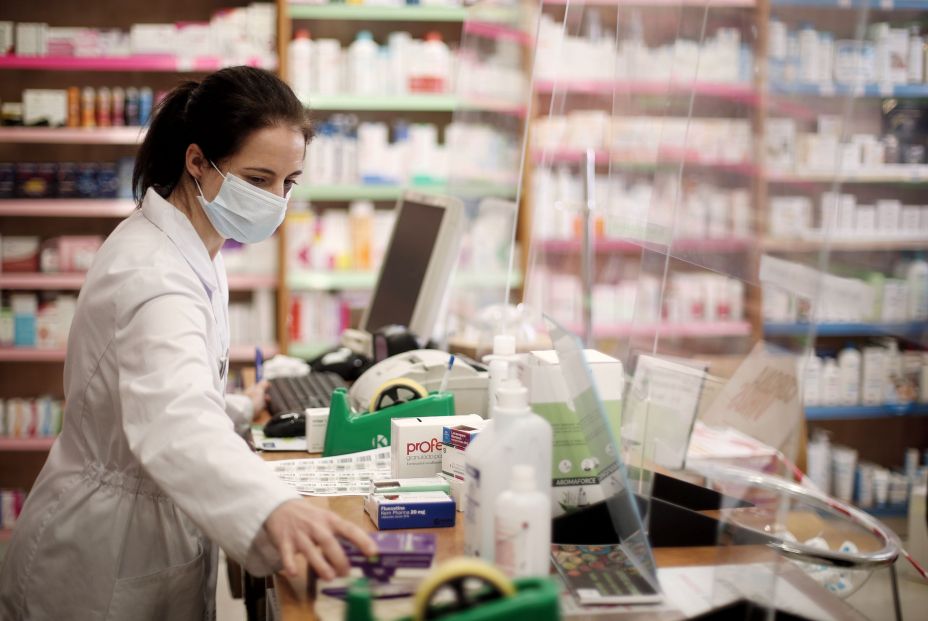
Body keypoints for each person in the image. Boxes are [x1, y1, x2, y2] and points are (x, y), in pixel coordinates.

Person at [0, 67, 377, 620]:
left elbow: (160, 385)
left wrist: (239, 406)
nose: (276, 199)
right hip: (105, 555)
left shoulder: (191, 245)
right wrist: (273, 508)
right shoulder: (155, 273)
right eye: (257, 178)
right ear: (197, 161)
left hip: (140, 522)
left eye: (288, 182)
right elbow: (172, 418)